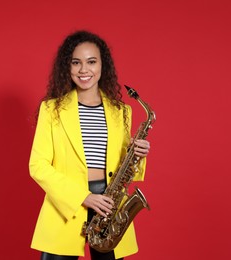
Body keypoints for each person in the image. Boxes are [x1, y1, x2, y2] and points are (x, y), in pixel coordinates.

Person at [29, 30, 151, 260]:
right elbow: (38, 165)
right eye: (76, 62)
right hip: (66, 205)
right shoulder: (51, 110)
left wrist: (138, 154)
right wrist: (82, 197)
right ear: (68, 66)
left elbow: (126, 169)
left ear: (102, 66)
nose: (84, 70)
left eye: (91, 62)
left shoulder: (121, 112)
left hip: (109, 207)